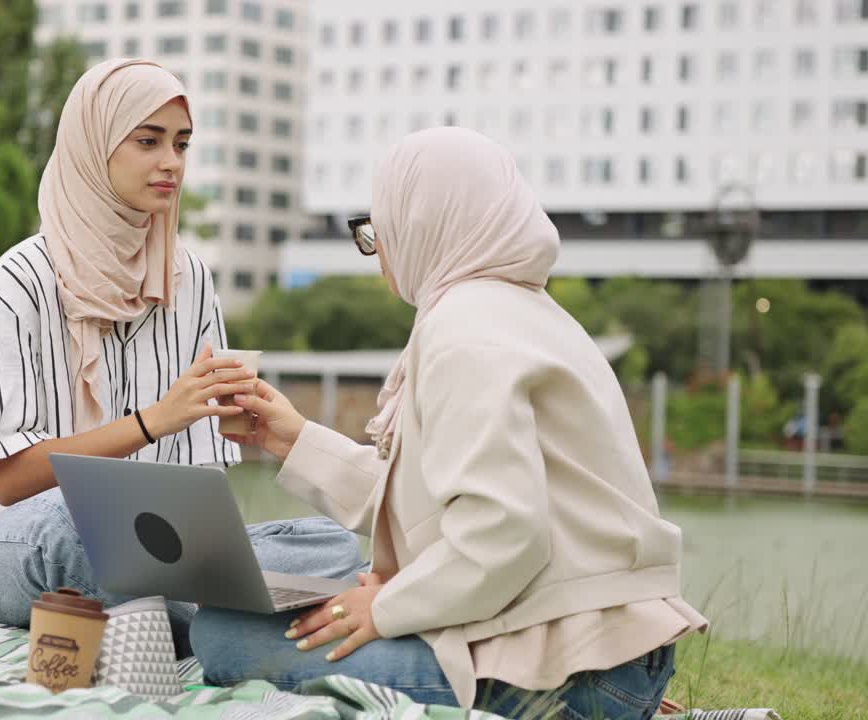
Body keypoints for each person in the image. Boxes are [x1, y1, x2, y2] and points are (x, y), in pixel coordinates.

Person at [190, 127, 708, 718]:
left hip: (573, 670)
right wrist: (291, 439)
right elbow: (435, 499)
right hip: (604, 648)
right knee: (317, 580)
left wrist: (386, 608)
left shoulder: (465, 333)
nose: (379, 250)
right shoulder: (518, 312)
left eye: (379, 229)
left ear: (424, 221)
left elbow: (504, 534)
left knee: (224, 636)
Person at [0, 59, 361, 652]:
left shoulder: (190, 281)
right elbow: (10, 481)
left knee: (329, 544)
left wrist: (240, 429)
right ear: (95, 146)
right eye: (148, 141)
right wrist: (154, 421)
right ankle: (225, 620)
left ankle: (197, 611)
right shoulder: (19, 280)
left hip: (149, 550)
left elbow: (199, 485)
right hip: (7, 538)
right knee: (76, 526)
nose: (172, 162)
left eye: (182, 144)